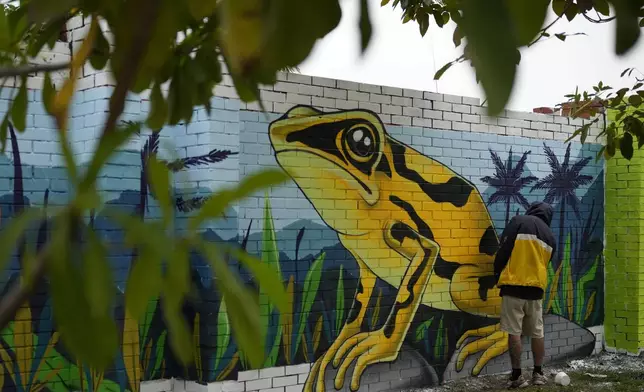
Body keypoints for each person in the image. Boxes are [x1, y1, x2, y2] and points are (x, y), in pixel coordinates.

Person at [494, 201, 556, 389]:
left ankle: (517, 376)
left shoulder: (519, 221)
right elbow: (547, 262)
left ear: (532, 210)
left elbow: (503, 249)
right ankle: (538, 373)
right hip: (536, 290)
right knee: (537, 332)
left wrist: (497, 273)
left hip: (513, 286)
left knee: (514, 332)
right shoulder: (550, 236)